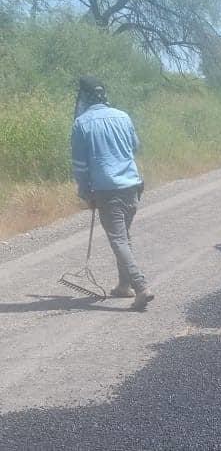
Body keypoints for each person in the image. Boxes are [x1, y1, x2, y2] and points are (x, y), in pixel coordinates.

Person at [71, 76, 154, 310]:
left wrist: (85, 192)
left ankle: (141, 287)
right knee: (124, 237)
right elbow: (135, 146)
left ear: (84, 98)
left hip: (108, 190)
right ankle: (123, 285)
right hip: (133, 186)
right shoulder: (122, 116)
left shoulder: (82, 124)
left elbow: (80, 165)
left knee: (118, 239)